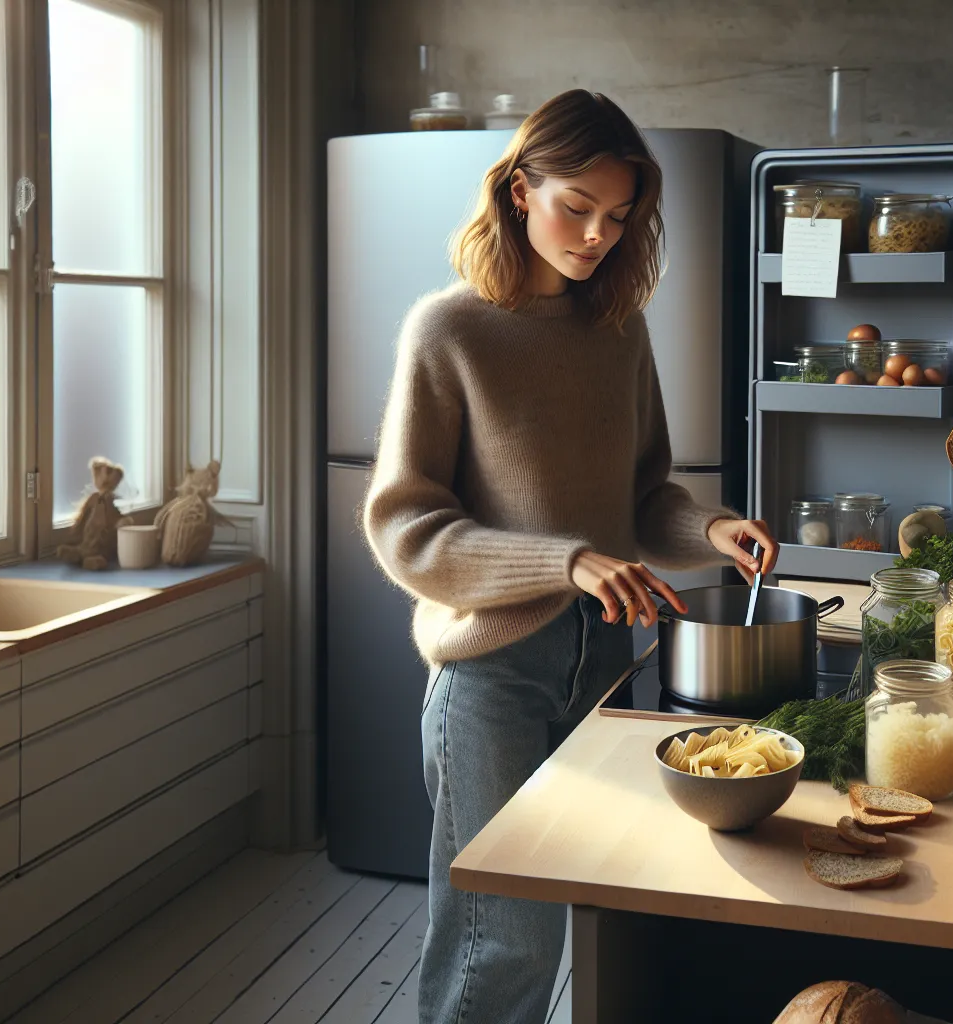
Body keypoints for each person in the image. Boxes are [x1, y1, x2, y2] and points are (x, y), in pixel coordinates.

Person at [363, 89, 779, 1024]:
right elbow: (406, 529)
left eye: (618, 218)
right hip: (491, 677)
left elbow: (641, 502)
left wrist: (710, 530)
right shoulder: (449, 331)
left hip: (603, 663)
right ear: (520, 191)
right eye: (576, 208)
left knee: (599, 914)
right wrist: (567, 562)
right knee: (504, 940)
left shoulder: (616, 334)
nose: (596, 236)